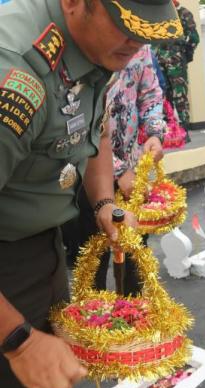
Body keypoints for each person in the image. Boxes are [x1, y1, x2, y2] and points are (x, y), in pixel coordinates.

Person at [0, 1, 181, 388]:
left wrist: (102, 203)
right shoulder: (15, 73)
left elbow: (94, 131)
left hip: (44, 249)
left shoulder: (93, 49)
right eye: (127, 25)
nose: (140, 42)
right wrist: (19, 341)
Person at [62, 45, 166, 296]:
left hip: (133, 173)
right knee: (91, 256)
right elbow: (85, 125)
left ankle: (132, 316)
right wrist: (118, 172)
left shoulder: (140, 48)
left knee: (134, 252)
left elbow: (151, 93)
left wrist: (154, 134)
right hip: (89, 173)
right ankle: (93, 324)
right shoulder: (87, 47)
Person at [154, 0, 199, 141]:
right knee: (163, 95)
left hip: (176, 63)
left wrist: (184, 54)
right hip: (160, 62)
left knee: (180, 96)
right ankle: (169, 131)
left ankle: (184, 130)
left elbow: (193, 38)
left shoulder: (183, 13)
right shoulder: (159, 14)